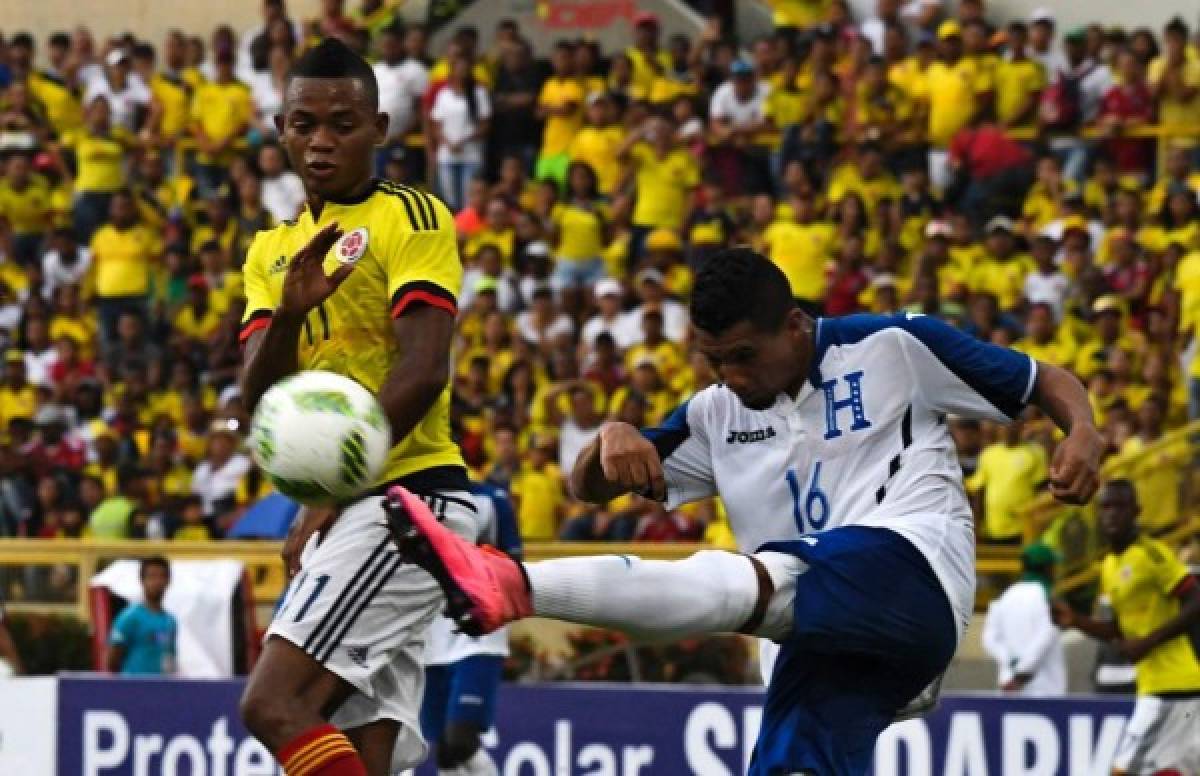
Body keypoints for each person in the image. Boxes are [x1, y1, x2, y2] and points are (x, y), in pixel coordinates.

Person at [384, 247, 1103, 776]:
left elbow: (1045, 380)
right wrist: (611, 441)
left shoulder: (893, 347)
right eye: (711, 360)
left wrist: (1083, 433)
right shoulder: (715, 412)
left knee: (763, 577)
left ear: (795, 325)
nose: (729, 376)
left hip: (914, 575)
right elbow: (590, 489)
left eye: (742, 356)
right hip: (818, 642)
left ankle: (512, 585)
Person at [237, 38, 480, 776]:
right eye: (304, 123)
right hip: (357, 510)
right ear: (280, 127)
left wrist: (332, 493)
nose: (320, 141)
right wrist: (286, 316)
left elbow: (425, 368)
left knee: (272, 705)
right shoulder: (271, 251)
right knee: (367, 755)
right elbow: (258, 399)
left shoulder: (411, 214)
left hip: (408, 503)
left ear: (378, 128)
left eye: (341, 124)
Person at [1054, 480, 1200, 775]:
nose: (1111, 514)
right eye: (1105, 507)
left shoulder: (1151, 553)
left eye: (1120, 507)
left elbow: (1196, 600)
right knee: (1170, 770)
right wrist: (1077, 621)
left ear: (1136, 511)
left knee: (1124, 770)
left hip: (1173, 684)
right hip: (1157, 685)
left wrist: (1148, 642)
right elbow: (1118, 630)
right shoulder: (1109, 565)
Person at [420, 482, 521, 776]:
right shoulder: (405, 497)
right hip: (429, 638)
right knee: (444, 751)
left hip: (478, 636)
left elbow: (513, 565)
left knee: (461, 739)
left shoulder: (490, 500)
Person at [981, 542, 1066, 696]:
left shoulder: (1005, 596)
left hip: (1009, 686)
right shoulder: (1048, 598)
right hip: (1045, 689)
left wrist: (1009, 659)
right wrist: (1021, 672)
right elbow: (1046, 637)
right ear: (1048, 569)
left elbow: (989, 639)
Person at [106, 556, 178, 676]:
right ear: (142, 580)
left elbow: (170, 657)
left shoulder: (170, 621)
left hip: (161, 690)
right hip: (133, 689)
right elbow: (112, 661)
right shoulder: (129, 618)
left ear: (168, 581)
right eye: (152, 576)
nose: (157, 582)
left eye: (161, 576)